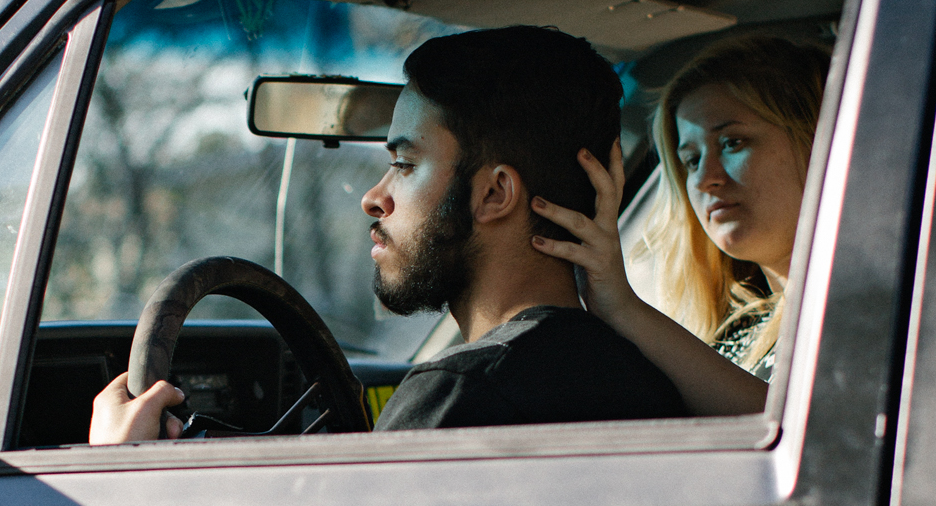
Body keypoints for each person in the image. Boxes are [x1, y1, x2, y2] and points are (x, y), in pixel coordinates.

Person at [89, 24, 684, 441]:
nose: (374, 197)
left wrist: (121, 478)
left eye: (403, 164)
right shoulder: (644, 376)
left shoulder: (460, 396)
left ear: (494, 193)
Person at [527, 34, 831, 417]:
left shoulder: (883, 310)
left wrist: (622, 306)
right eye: (690, 160)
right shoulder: (732, 334)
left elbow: (798, 432)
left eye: (733, 142)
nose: (705, 179)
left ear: (818, 142)